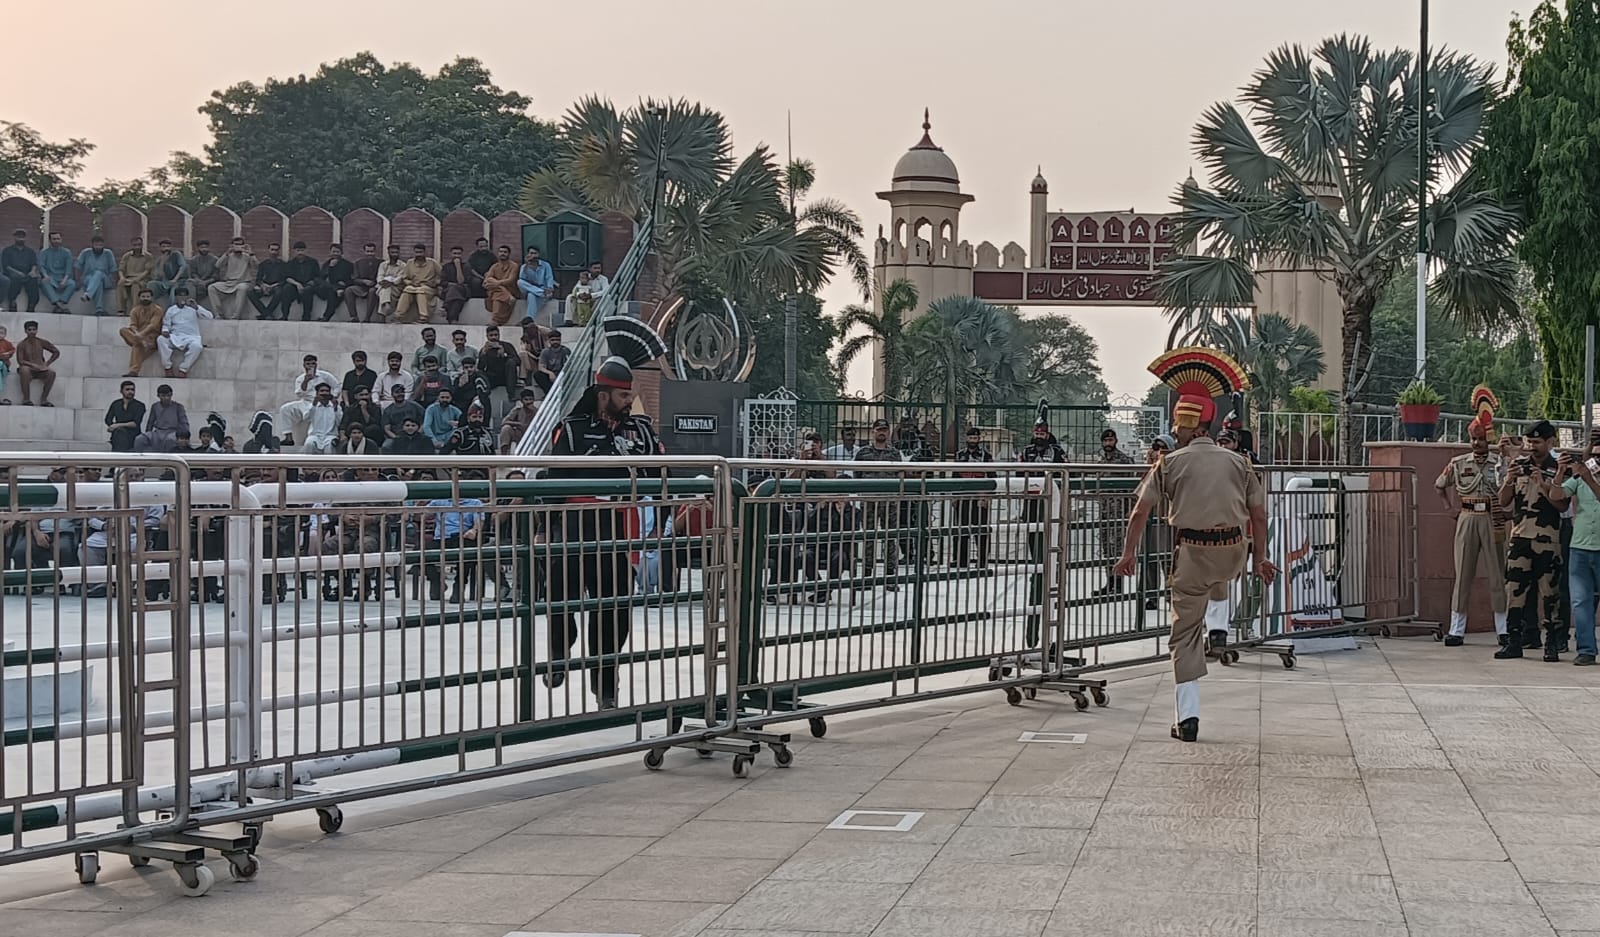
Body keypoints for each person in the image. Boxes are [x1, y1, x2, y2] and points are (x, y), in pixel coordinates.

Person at [1114, 348, 1271, 742]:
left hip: (1193, 553)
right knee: (1220, 576)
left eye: (1177, 423)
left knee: (1183, 634)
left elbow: (1140, 512)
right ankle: (1219, 626)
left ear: (1185, 423)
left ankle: (1188, 719)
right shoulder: (1240, 463)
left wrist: (1128, 553)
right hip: (1233, 550)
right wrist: (1261, 558)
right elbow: (1259, 516)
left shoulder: (1168, 463)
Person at [546, 356, 664, 708]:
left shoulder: (640, 431)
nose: (629, 402)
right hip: (575, 524)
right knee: (559, 596)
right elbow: (554, 482)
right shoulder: (572, 429)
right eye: (623, 396)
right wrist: (545, 529)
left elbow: (661, 473)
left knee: (613, 611)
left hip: (617, 525)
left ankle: (606, 687)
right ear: (603, 395)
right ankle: (559, 651)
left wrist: (660, 520)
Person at [1435, 393, 1510, 647]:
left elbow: (1508, 486)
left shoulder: (1499, 462)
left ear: (1489, 439)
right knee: (1463, 575)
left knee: (1497, 575)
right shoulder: (1458, 463)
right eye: (1473, 439)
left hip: (1491, 516)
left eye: (1481, 439)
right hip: (1467, 517)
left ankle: (1503, 629)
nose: (1477, 443)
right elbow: (1439, 485)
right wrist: (1449, 508)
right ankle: (1456, 630)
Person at [1496, 420, 1571, 661]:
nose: (1532, 446)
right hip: (1520, 538)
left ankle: (1552, 643)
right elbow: (1503, 501)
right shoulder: (1519, 466)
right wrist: (1509, 479)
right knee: (1514, 591)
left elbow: (1562, 505)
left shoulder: (1559, 468)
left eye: (1537, 442)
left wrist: (1543, 484)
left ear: (1550, 442)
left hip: (1547, 540)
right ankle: (1514, 641)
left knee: (1550, 594)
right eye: (1530, 442)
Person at [853, 418, 907, 592]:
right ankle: (867, 576)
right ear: (873, 432)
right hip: (869, 501)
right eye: (879, 430)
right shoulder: (863, 453)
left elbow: (900, 476)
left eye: (884, 430)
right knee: (868, 538)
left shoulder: (895, 454)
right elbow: (857, 476)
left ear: (888, 432)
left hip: (890, 502)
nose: (881, 433)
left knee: (890, 538)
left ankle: (890, 577)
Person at [1562, 429, 1600, 666]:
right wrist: (1559, 473)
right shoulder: (1581, 477)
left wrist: (1589, 479)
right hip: (1580, 547)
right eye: (1594, 455)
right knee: (1581, 601)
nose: (1596, 460)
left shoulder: (1588, 478)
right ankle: (1586, 649)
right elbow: (1558, 494)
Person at [1095, 428, 1137, 596]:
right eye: (1105, 441)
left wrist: (1129, 509)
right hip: (1105, 511)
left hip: (1119, 511)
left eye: (1110, 440)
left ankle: (1118, 584)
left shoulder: (1124, 460)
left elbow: (1132, 487)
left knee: (1118, 547)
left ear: (1116, 441)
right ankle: (1109, 582)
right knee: (1106, 548)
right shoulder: (1101, 461)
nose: (1108, 444)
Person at [1138, 434, 1177, 612]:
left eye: (1163, 448)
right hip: (1151, 519)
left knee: (1169, 560)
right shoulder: (1148, 470)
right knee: (1149, 558)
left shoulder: (1174, 469)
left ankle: (1171, 595)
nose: (1158, 452)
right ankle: (1151, 595)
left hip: (1168, 520)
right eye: (1155, 448)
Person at [952, 426, 993, 568]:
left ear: (979, 439)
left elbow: (992, 476)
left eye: (975, 438)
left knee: (980, 530)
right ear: (966, 438)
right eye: (970, 438)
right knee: (961, 529)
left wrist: (987, 496)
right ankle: (960, 559)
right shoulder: (960, 455)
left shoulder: (986, 456)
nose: (972, 441)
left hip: (979, 497)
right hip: (963, 496)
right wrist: (954, 496)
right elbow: (955, 476)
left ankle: (982, 560)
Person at [278, 355, 340, 447]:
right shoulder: (300, 378)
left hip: (323, 402)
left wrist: (332, 397)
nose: (311, 366)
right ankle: (288, 437)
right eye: (308, 364)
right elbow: (299, 393)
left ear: (316, 364)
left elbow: (337, 386)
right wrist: (306, 381)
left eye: (313, 364)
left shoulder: (325, 376)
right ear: (304, 365)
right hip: (306, 402)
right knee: (285, 408)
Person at [156, 287, 212, 378]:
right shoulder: (171, 310)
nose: (182, 298)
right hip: (175, 336)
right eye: (180, 296)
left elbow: (209, 316)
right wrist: (165, 331)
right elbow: (166, 324)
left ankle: (183, 369)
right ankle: (167, 367)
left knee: (197, 347)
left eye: (184, 296)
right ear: (176, 297)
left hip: (191, 336)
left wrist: (197, 307)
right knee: (161, 340)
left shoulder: (193, 308)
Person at [478, 324, 520, 421]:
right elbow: (480, 367)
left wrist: (504, 354)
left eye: (495, 335)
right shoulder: (484, 349)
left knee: (511, 362)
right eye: (491, 335)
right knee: (479, 374)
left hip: (506, 377)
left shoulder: (507, 346)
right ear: (487, 337)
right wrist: (483, 354)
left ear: (499, 335)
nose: (493, 337)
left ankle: (511, 395)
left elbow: (517, 361)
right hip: (492, 377)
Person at [208, 237, 257, 320]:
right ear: (232, 245)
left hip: (243, 282)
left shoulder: (247, 256)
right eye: (236, 244)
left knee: (242, 288)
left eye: (240, 245)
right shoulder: (228, 256)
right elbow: (217, 265)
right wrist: (226, 253)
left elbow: (256, 265)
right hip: (229, 283)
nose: (238, 246)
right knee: (211, 287)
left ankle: (236, 316)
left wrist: (251, 253)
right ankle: (219, 314)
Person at [119, 287, 165, 376]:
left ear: (151, 298)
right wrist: (137, 334)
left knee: (136, 345)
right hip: (139, 337)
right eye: (143, 297)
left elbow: (153, 325)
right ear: (139, 298)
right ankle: (142, 342)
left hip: (152, 336)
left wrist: (141, 335)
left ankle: (134, 371)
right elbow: (133, 325)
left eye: (148, 296)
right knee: (123, 330)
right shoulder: (135, 310)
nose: (145, 298)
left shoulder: (157, 309)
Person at [13, 320, 59, 407]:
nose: (32, 332)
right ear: (25, 331)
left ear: (37, 330)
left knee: (51, 373)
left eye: (34, 329)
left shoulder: (41, 342)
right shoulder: (22, 344)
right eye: (29, 330)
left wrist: (47, 364)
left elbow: (56, 352)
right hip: (28, 369)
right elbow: (20, 361)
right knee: (24, 370)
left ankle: (44, 399)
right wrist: (33, 365)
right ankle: (26, 399)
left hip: (41, 369)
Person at [393, 243, 441, 324]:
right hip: (413, 286)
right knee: (407, 290)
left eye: (420, 252)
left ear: (425, 252)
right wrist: (411, 283)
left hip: (428, 288)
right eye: (417, 252)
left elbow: (441, 276)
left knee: (421, 291)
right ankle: (398, 316)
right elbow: (405, 278)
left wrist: (434, 282)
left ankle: (423, 317)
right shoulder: (410, 262)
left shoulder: (433, 263)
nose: (419, 255)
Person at [134, 384, 189, 452]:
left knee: (170, 440)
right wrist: (147, 433)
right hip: (158, 432)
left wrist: (184, 436)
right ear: (158, 396)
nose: (166, 398)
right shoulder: (155, 406)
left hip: (173, 432)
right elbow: (150, 422)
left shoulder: (178, 407)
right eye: (163, 396)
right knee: (140, 439)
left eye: (168, 395)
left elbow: (184, 423)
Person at [76, 235, 118, 315]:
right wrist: (77, 280)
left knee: (98, 273)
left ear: (103, 245)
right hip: (88, 278)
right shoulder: (85, 252)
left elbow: (113, 269)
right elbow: (77, 266)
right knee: (98, 283)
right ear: (92, 244)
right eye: (96, 245)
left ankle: (88, 294)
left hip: (105, 278)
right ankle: (99, 309)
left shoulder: (108, 253)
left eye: (100, 245)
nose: (98, 247)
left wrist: (114, 282)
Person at [3, 228, 41, 312]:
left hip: (27, 273)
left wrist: (32, 271)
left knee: (33, 280)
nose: (20, 239)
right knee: (14, 280)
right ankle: (12, 302)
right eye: (18, 237)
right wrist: (17, 273)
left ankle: (32, 305)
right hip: (12, 273)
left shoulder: (30, 251)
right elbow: (6, 266)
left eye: (22, 237)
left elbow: (34, 264)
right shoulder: (7, 250)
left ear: (25, 238)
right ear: (14, 237)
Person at [115, 237, 157, 313]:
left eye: (139, 245)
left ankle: (134, 310)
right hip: (128, 278)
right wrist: (122, 278)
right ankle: (121, 310)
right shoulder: (126, 256)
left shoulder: (148, 256)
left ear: (142, 245)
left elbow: (147, 271)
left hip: (142, 279)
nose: (137, 247)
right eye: (135, 245)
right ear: (131, 245)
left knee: (135, 285)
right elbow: (121, 269)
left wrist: (136, 279)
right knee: (120, 284)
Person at [249, 242, 290, 320]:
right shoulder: (263, 264)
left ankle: (265, 314)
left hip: (277, 286)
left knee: (279, 292)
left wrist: (274, 285)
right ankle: (267, 313)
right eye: (272, 250)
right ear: (268, 250)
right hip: (265, 286)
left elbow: (284, 279)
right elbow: (258, 279)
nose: (274, 252)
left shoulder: (283, 265)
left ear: (279, 252)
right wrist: (262, 285)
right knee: (250, 292)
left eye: (276, 250)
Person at [481, 245, 520, 326]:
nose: (503, 254)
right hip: (498, 291)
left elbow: (511, 280)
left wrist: (497, 283)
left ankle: (495, 320)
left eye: (505, 252)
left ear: (509, 254)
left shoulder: (514, 266)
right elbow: (486, 280)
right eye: (501, 252)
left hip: (510, 290)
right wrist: (494, 283)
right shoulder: (494, 266)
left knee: (497, 295)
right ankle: (507, 296)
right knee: (491, 283)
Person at [38, 231, 75, 314]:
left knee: (72, 284)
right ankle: (59, 305)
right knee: (44, 282)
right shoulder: (44, 252)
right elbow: (41, 266)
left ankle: (59, 305)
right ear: (50, 240)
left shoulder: (66, 252)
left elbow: (68, 269)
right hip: (50, 277)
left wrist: (64, 280)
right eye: (54, 239)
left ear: (61, 240)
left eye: (58, 239)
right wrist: (45, 276)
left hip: (63, 278)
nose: (56, 241)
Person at [282, 241, 321, 321]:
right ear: (294, 251)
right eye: (298, 250)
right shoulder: (290, 263)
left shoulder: (313, 262)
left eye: (302, 250)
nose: (300, 253)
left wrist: (311, 283)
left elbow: (318, 276)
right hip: (295, 285)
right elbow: (287, 277)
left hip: (309, 285)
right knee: (287, 288)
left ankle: (306, 316)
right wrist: (297, 284)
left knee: (308, 290)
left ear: (306, 251)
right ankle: (285, 315)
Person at [517, 246, 555, 327]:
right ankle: (542, 293)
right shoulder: (524, 266)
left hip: (542, 289)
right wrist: (527, 265)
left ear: (538, 254)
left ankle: (529, 320)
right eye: (531, 253)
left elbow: (549, 278)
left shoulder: (545, 265)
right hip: (531, 289)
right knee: (519, 282)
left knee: (531, 295)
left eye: (535, 253)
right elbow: (522, 279)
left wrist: (550, 289)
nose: (533, 255)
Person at [343, 243, 381, 323]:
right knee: (349, 290)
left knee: (372, 291)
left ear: (375, 252)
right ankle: (354, 317)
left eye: (372, 252)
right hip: (362, 287)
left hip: (375, 286)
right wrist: (363, 281)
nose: (370, 254)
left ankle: (367, 318)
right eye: (368, 251)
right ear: (364, 252)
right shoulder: (358, 263)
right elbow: (355, 278)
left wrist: (374, 283)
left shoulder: (381, 263)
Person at [301, 382, 342, 454]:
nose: (324, 393)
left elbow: (339, 422)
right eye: (322, 391)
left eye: (327, 391)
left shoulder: (335, 407)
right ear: (317, 394)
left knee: (330, 446)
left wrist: (335, 408)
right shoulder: (312, 406)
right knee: (309, 444)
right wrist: (313, 405)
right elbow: (305, 418)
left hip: (330, 435)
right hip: (315, 435)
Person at [104, 380, 146, 452]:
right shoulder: (116, 404)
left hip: (133, 434)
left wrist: (116, 425)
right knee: (119, 433)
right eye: (127, 389)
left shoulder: (140, 405)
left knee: (121, 433)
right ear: (121, 391)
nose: (130, 392)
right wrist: (112, 427)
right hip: (118, 434)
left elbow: (135, 423)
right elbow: (108, 419)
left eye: (132, 390)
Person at [499, 388, 539, 454]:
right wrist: (518, 424)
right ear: (522, 401)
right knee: (506, 428)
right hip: (520, 433)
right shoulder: (518, 409)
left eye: (530, 399)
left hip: (533, 434)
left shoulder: (537, 411)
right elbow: (504, 422)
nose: (529, 402)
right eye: (526, 399)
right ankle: (504, 455)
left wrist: (534, 412)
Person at [439, 246, 471, 324]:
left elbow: (461, 281)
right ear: (451, 254)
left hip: (463, 290)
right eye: (454, 253)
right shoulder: (446, 266)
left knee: (455, 289)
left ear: (462, 254)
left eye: (459, 254)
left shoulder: (466, 266)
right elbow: (442, 282)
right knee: (457, 299)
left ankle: (445, 307)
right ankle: (453, 320)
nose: (457, 256)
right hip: (448, 291)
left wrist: (458, 267)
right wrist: (450, 284)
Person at [150, 238, 188, 303]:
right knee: (151, 284)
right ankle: (151, 304)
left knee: (174, 290)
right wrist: (162, 263)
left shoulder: (176, 254)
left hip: (178, 281)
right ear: (160, 248)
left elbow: (183, 266)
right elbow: (158, 276)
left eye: (168, 246)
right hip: (165, 283)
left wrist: (175, 279)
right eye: (164, 247)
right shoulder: (159, 260)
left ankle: (172, 307)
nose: (166, 248)